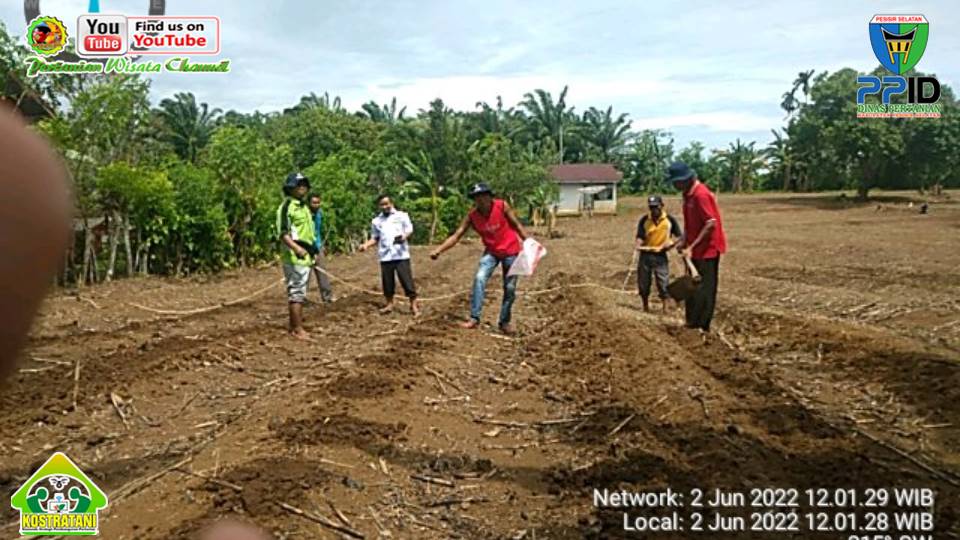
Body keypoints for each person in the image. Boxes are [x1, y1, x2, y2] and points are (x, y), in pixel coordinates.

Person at [430, 183, 529, 335]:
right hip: (492, 251)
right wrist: (439, 250)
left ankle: (504, 322)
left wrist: (528, 242)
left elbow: (516, 224)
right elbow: (457, 235)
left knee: (509, 288)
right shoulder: (472, 216)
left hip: (511, 251)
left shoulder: (502, 206)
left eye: (483, 196)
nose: (481, 200)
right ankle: (474, 318)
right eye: (477, 198)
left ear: (490, 196)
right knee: (479, 278)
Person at [666, 162, 727, 331]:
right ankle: (691, 323)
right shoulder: (688, 196)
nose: (674, 185)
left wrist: (692, 246)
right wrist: (681, 241)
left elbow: (710, 224)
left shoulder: (701, 195)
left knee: (704, 290)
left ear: (685, 179)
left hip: (708, 250)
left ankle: (702, 326)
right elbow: (691, 225)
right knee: (691, 289)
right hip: (694, 250)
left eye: (676, 182)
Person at [359, 195, 421, 316]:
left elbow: (409, 230)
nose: (385, 206)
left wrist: (403, 237)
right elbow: (375, 238)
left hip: (400, 254)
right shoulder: (376, 221)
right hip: (385, 255)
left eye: (387, 204)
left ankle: (413, 304)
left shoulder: (401, 216)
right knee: (387, 282)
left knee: (406, 281)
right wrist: (366, 245)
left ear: (391, 203)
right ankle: (389, 304)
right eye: (382, 204)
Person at [276, 172, 316, 339]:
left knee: (301, 291)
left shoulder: (304, 206)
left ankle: (296, 326)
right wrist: (296, 249)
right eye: (298, 184)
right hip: (295, 256)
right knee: (297, 292)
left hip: (306, 256)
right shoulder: (286, 207)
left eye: (304, 184)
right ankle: (297, 329)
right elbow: (283, 233)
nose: (302, 188)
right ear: (290, 188)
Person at [635, 195, 683, 311]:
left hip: (660, 255)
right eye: (651, 208)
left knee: (663, 282)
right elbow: (640, 236)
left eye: (656, 207)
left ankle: (665, 308)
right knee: (644, 282)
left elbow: (679, 236)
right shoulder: (644, 220)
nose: (653, 210)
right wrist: (638, 244)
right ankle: (645, 306)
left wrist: (671, 244)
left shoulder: (669, 220)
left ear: (661, 206)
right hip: (646, 255)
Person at [307, 193, 335, 303]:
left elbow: (318, 231)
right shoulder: (305, 215)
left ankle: (327, 297)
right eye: (314, 203)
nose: (316, 205)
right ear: (309, 203)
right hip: (306, 248)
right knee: (305, 274)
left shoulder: (319, 214)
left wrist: (320, 246)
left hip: (317, 246)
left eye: (318, 202)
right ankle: (301, 298)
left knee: (322, 272)